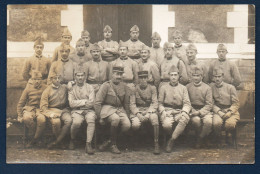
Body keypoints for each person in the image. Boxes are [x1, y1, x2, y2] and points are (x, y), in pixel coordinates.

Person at [94, 64, 131, 154]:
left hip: (119, 109)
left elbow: (126, 103)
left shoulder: (125, 86)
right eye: (116, 74)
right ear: (112, 74)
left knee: (127, 125)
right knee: (115, 119)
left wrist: (128, 115)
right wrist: (100, 117)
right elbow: (97, 102)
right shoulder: (106, 85)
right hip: (107, 108)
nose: (118, 76)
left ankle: (109, 141)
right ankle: (113, 145)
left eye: (120, 74)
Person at [158, 65, 191, 153]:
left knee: (184, 118)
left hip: (179, 111)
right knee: (166, 125)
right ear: (169, 76)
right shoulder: (163, 87)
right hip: (167, 110)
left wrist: (184, 111)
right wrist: (163, 111)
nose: (173, 77)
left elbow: (187, 103)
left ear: (178, 76)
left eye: (175, 75)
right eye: (171, 75)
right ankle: (172, 136)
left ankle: (171, 140)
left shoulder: (183, 88)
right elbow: (160, 103)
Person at [130, 71, 160, 154]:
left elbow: (154, 103)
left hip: (149, 109)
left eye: (144, 78)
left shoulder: (152, 88)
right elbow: (132, 104)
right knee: (135, 124)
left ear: (147, 78)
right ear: (138, 79)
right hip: (138, 110)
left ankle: (156, 143)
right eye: (141, 78)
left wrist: (148, 114)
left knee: (155, 118)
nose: (143, 80)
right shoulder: (134, 89)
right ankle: (136, 141)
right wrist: (138, 114)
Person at [68, 68, 96, 154]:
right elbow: (71, 104)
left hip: (89, 110)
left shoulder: (89, 87)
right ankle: (72, 139)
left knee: (91, 120)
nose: (80, 78)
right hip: (77, 111)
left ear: (85, 76)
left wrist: (81, 103)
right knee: (76, 122)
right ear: (75, 77)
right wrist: (84, 101)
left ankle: (88, 144)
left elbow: (91, 102)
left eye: (82, 75)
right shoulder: (72, 88)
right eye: (78, 75)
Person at [40, 73, 72, 149]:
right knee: (56, 122)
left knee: (69, 120)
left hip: (64, 110)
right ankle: (60, 143)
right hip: (53, 110)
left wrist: (71, 82)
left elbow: (74, 84)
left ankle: (56, 142)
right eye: (55, 78)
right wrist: (51, 114)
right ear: (51, 80)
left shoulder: (64, 87)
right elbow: (43, 107)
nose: (57, 80)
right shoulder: (47, 91)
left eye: (59, 78)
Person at [17, 71, 47, 148]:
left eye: (39, 79)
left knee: (42, 119)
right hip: (29, 109)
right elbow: (20, 104)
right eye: (35, 79)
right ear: (32, 80)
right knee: (26, 118)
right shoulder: (28, 89)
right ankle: (38, 137)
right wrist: (20, 116)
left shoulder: (46, 88)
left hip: (41, 109)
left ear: (42, 80)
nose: (37, 81)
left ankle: (34, 140)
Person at [211, 68, 240, 146]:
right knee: (216, 123)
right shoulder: (211, 88)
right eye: (215, 76)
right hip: (217, 111)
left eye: (219, 76)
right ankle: (219, 138)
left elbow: (236, 103)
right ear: (213, 77)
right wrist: (218, 111)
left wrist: (230, 112)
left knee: (230, 124)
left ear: (223, 77)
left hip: (230, 111)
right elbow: (211, 103)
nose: (217, 78)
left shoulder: (230, 87)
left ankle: (228, 136)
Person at [186, 66, 213, 148]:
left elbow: (209, 104)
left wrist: (200, 112)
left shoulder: (207, 88)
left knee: (208, 121)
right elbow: (186, 102)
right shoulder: (187, 87)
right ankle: (201, 138)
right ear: (191, 76)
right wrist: (193, 110)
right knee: (196, 121)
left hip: (204, 110)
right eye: (194, 75)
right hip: (192, 110)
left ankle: (201, 138)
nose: (196, 77)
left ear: (202, 76)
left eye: (198, 75)